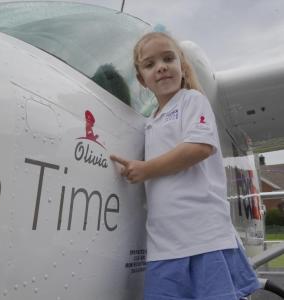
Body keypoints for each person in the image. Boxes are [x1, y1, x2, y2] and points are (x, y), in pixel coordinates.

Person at [110, 32, 260, 300]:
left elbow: (199, 147)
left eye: (168, 58)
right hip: (164, 245)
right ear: (141, 78)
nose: (161, 67)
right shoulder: (151, 121)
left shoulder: (192, 100)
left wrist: (145, 169)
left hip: (203, 238)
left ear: (181, 65)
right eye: (150, 64)